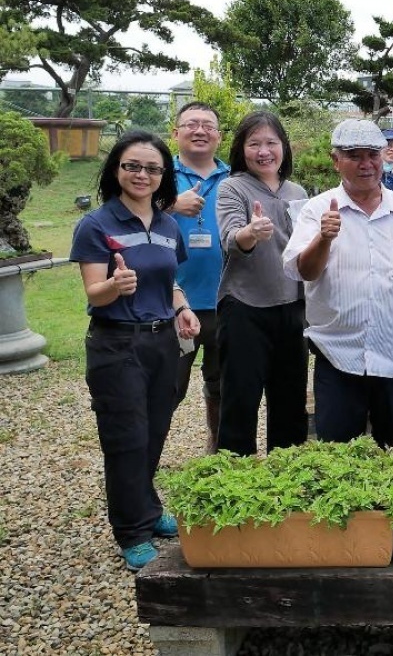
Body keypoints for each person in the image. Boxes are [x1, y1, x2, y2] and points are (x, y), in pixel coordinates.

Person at [70, 131, 201, 572]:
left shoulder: (166, 224)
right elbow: (94, 292)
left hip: (162, 341)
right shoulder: (97, 224)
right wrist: (114, 285)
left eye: (151, 168)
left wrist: (181, 308)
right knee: (125, 439)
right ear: (116, 170)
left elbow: (171, 280)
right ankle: (131, 530)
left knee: (154, 432)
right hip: (117, 343)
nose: (142, 175)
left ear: (164, 175)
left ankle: (145, 506)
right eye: (132, 166)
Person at [283, 119, 393, 448]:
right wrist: (324, 237)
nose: (366, 164)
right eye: (354, 156)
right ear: (336, 161)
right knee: (338, 457)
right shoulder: (317, 210)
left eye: (373, 155)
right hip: (338, 354)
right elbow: (304, 271)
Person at [215, 111, 309, 455]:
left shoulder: (296, 191)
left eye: (271, 142)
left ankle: (288, 487)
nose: (264, 151)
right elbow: (230, 239)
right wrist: (250, 233)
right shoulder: (232, 187)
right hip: (244, 309)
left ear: (283, 147)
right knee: (240, 402)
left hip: (292, 308)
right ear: (242, 149)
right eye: (254, 143)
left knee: (290, 404)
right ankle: (235, 489)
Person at [168, 101, 229, 452]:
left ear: (219, 136)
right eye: (191, 123)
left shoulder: (234, 177)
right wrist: (171, 204)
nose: (200, 130)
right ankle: (146, 457)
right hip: (174, 302)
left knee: (221, 383)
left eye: (208, 125)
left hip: (225, 301)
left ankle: (216, 445)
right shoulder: (158, 174)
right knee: (169, 385)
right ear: (176, 133)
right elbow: (130, 213)